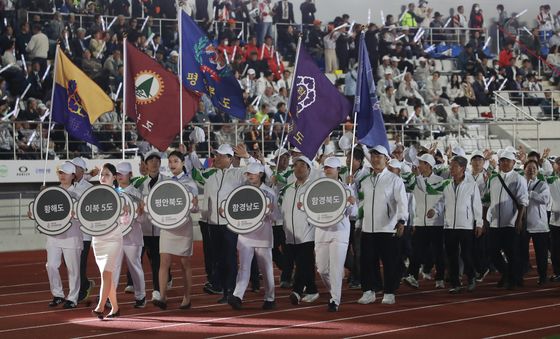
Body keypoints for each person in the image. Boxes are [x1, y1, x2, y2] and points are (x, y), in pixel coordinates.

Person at [192, 143, 254, 303]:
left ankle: (232, 291)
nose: (216, 158)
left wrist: (247, 157)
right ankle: (224, 290)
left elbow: (258, 171)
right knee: (218, 258)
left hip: (230, 224)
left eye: (220, 155)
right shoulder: (212, 175)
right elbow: (195, 175)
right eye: (216, 155)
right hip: (212, 223)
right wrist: (191, 152)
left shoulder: (238, 174)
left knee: (229, 258)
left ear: (230, 158)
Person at [357, 145, 408, 305]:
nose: (375, 159)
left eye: (379, 156)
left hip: (387, 228)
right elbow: (362, 204)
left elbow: (402, 202)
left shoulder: (395, 180)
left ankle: (389, 292)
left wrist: (401, 220)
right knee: (367, 262)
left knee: (389, 262)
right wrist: (359, 222)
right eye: (373, 156)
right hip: (368, 228)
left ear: (387, 159)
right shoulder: (365, 181)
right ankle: (368, 291)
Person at [428, 156, 484, 293]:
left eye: (454, 166)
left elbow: (477, 205)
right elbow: (442, 201)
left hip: (465, 226)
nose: (451, 169)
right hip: (449, 226)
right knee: (451, 256)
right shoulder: (447, 185)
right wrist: (434, 210)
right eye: (450, 166)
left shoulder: (471, 185)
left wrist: (479, 223)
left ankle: (471, 278)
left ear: (462, 168)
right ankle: (455, 283)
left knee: (466, 255)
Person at [152, 151, 199, 310]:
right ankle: (163, 296)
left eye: (176, 161)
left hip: (183, 227)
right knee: (164, 261)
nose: (172, 164)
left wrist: (193, 205)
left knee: (184, 263)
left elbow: (194, 208)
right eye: (170, 161)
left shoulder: (190, 183)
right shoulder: (165, 182)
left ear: (183, 163)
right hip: (167, 227)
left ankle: (187, 298)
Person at [228, 163, 277, 310]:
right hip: (245, 235)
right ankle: (237, 296)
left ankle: (270, 297)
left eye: (253, 173)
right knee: (243, 267)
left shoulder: (270, 192)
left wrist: (270, 211)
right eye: (248, 173)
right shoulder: (241, 191)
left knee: (266, 268)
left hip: (263, 235)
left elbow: (276, 216)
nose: (250, 175)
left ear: (261, 174)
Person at [314, 157, 357, 312]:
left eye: (331, 167)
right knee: (322, 269)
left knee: (336, 268)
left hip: (340, 232)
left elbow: (354, 213)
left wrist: (352, 203)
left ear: (338, 170)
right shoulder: (318, 188)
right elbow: (311, 208)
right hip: (321, 232)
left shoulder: (347, 188)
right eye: (325, 167)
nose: (327, 170)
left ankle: (334, 300)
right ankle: (335, 288)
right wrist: (302, 206)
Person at [39, 162, 83, 309]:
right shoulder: (52, 192)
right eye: (60, 173)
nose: (62, 175)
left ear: (73, 176)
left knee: (73, 269)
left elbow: (83, 216)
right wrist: (42, 197)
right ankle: (58, 294)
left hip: (72, 236)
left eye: (65, 173)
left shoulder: (79, 193)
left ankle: (73, 298)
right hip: (54, 236)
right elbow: (43, 212)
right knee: (50, 265)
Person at [484, 150, 528, 289]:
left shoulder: (518, 178)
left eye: (507, 160)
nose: (504, 163)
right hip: (495, 223)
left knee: (512, 253)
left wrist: (518, 220)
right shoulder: (493, 179)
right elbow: (486, 200)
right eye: (502, 160)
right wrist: (485, 219)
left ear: (514, 163)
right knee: (491, 251)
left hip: (511, 222)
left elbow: (523, 202)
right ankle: (507, 274)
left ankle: (514, 280)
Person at [403, 153, 446, 290]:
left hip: (436, 223)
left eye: (421, 163)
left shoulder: (439, 180)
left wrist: (436, 210)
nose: (418, 165)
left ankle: (440, 278)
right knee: (417, 252)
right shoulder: (416, 180)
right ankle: (413, 277)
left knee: (438, 252)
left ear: (428, 165)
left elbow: (440, 198)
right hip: (420, 222)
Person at [281, 156, 319, 305]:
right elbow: (283, 210)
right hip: (290, 234)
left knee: (303, 263)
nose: (298, 168)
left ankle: (296, 291)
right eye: (296, 165)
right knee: (304, 264)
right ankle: (312, 289)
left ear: (309, 169)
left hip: (308, 233)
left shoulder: (313, 188)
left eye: (303, 165)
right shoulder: (288, 189)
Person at [92, 163, 125, 319]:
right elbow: (86, 216)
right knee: (107, 276)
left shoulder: (119, 195)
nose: (103, 177)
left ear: (114, 178)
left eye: (107, 174)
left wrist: (126, 212)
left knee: (106, 272)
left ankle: (100, 307)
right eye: (101, 174)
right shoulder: (93, 195)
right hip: (98, 240)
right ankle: (116, 308)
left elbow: (126, 219)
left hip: (113, 239)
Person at [113, 161, 146, 308]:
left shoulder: (137, 194)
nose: (119, 176)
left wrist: (138, 213)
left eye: (122, 173)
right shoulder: (113, 193)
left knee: (135, 267)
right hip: (116, 237)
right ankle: (109, 296)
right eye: (117, 173)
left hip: (133, 237)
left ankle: (140, 296)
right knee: (113, 267)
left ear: (130, 175)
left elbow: (142, 219)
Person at [521, 160, 550, 285]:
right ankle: (519, 276)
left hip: (539, 225)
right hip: (523, 224)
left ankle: (543, 276)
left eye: (534, 168)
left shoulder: (542, 184)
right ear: (524, 169)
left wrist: (529, 193)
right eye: (529, 167)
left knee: (541, 254)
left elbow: (545, 199)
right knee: (521, 252)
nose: (531, 170)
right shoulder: (520, 183)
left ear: (537, 171)